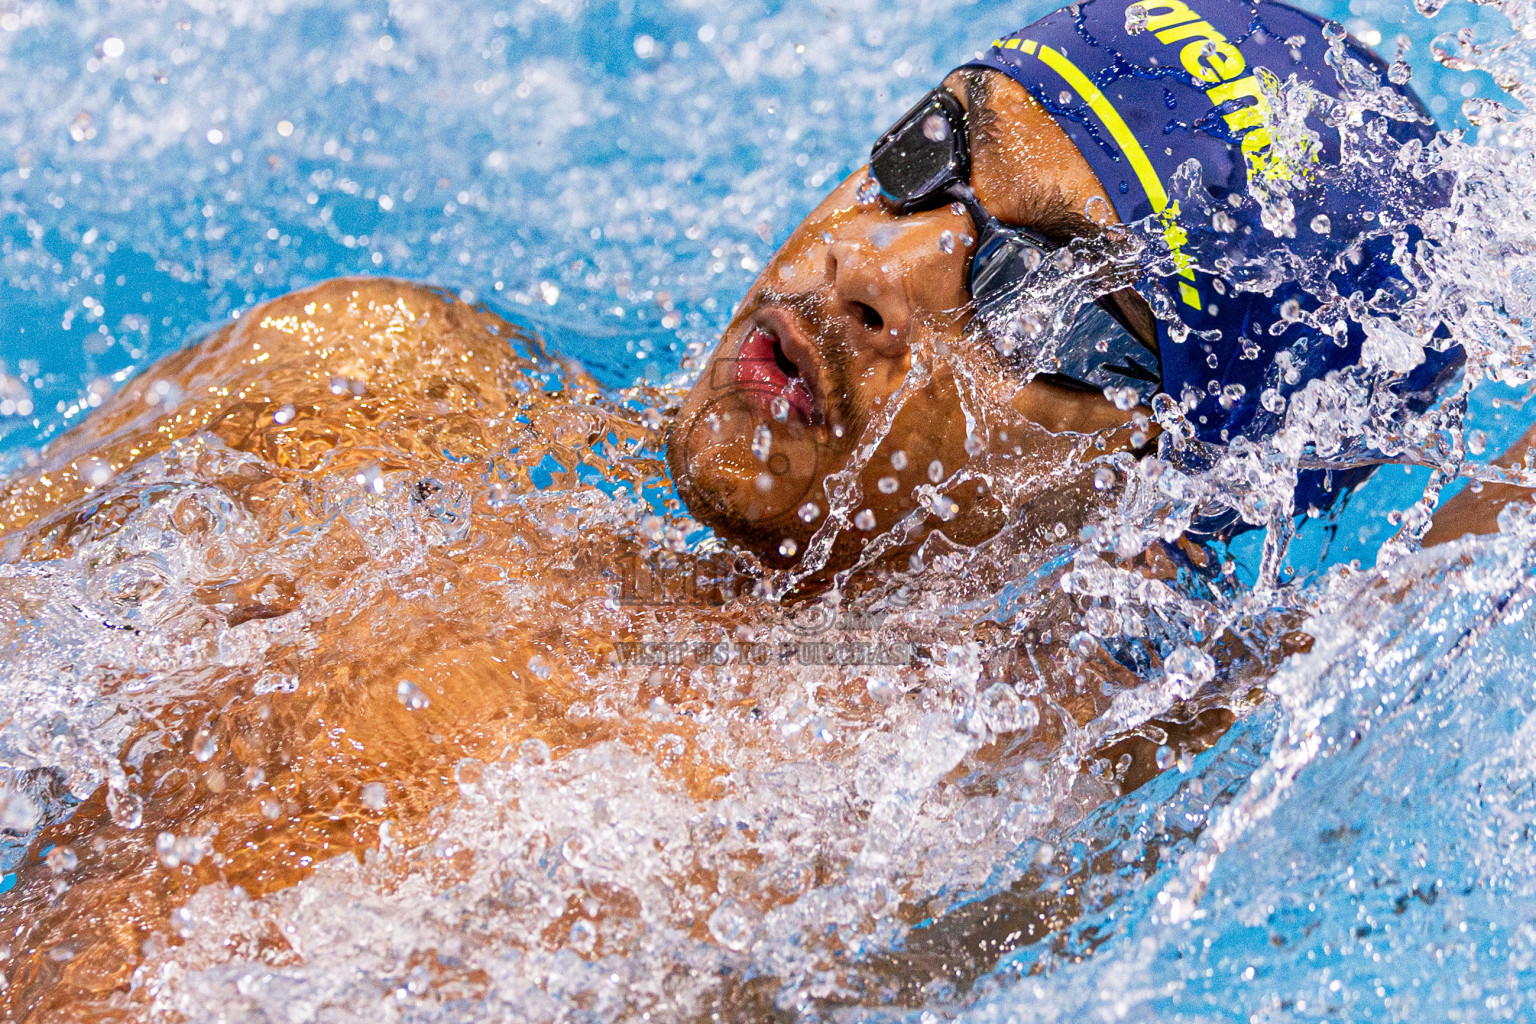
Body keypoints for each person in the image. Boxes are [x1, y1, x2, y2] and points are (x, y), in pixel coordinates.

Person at [665, 0, 1471, 574]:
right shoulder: (547, 432)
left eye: (1034, 296)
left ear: (1148, 498)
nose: (873, 264)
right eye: (932, 149)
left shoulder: (986, 791)